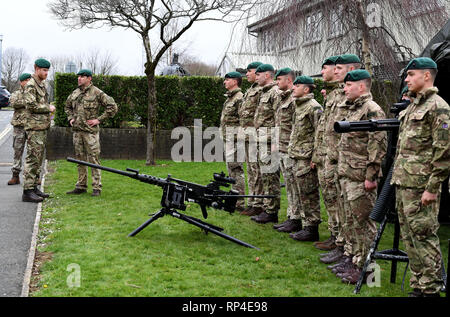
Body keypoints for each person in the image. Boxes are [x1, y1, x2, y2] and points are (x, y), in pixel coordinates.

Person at [391, 57, 450, 297]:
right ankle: (420, 284)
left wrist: (432, 188)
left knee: (424, 235)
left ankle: (432, 288)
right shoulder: (414, 106)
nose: (406, 79)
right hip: (404, 183)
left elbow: (443, 151)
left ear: (426, 76)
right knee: (409, 236)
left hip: (421, 186)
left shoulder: (439, 107)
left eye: (411, 75)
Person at [331, 70, 387, 284]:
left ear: (361, 86)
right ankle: (356, 261)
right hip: (348, 174)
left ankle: (370, 273)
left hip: (361, 177)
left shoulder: (372, 109)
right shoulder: (355, 108)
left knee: (365, 224)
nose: (344, 89)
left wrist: (371, 176)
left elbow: (377, 145)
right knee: (352, 222)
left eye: (348, 85)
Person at [320, 54, 362, 265]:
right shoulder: (335, 95)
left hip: (345, 160)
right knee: (334, 201)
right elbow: (326, 126)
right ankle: (339, 242)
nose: (334, 71)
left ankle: (346, 247)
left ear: (352, 68)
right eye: (334, 69)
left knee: (346, 207)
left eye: (339, 68)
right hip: (331, 156)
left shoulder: (354, 98)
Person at [65, 69, 118, 197]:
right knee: (80, 159)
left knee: (94, 160)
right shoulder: (75, 93)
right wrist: (70, 118)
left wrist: (98, 120)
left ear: (89, 78)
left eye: (82, 77)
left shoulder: (97, 92)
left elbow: (113, 107)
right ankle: (81, 185)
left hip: (90, 133)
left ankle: (96, 187)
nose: (79, 78)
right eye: (78, 76)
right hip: (77, 132)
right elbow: (67, 106)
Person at [288, 76, 323, 241]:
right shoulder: (299, 106)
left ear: (306, 89)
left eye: (297, 85)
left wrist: (315, 158)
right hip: (297, 155)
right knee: (300, 192)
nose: (293, 87)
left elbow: (319, 133)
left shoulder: (314, 108)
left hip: (307, 157)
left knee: (309, 193)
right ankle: (304, 224)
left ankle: (312, 228)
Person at [311, 56, 341, 251]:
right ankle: (335, 236)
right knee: (329, 199)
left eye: (326, 69)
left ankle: (341, 241)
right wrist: (317, 155)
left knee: (338, 202)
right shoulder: (332, 96)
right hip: (325, 156)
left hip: (339, 160)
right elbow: (322, 130)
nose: (324, 72)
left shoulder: (345, 98)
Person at [272, 68, 302, 233]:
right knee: (289, 185)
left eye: (280, 79)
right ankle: (291, 216)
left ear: (289, 80)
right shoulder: (283, 98)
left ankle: (296, 218)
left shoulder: (294, 99)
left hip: (290, 148)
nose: (277, 82)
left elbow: (295, 126)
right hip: (282, 147)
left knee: (293, 184)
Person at [22, 59, 55, 203]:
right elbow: (30, 105)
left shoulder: (41, 84)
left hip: (41, 127)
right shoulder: (31, 85)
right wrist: (48, 108)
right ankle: (27, 191)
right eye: (43, 70)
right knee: (32, 159)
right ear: (36, 69)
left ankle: (34, 187)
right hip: (34, 128)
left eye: (47, 70)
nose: (46, 73)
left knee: (39, 159)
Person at [251, 64, 281, 224]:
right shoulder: (264, 93)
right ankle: (266, 208)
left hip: (270, 142)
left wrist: (276, 141)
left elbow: (279, 117)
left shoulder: (275, 93)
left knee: (271, 176)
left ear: (268, 75)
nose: (256, 76)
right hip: (261, 140)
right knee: (265, 176)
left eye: (259, 74)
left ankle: (271, 211)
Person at [239, 62, 265, 216]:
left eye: (249, 71)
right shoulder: (251, 89)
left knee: (257, 172)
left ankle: (259, 203)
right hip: (248, 136)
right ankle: (253, 201)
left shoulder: (262, 90)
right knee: (251, 170)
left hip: (256, 136)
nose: (247, 74)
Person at [220, 71, 246, 212]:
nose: (225, 82)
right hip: (228, 140)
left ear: (235, 81)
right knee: (231, 171)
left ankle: (239, 203)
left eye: (227, 80)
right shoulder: (230, 98)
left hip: (235, 141)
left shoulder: (239, 98)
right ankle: (233, 200)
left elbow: (244, 120)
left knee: (236, 170)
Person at [7, 73, 32, 186]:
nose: (28, 82)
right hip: (19, 127)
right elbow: (14, 103)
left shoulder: (33, 93)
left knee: (33, 153)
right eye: (26, 80)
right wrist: (28, 102)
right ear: (21, 82)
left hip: (32, 126)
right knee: (18, 151)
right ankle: (15, 176)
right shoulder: (16, 94)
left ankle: (34, 177)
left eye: (29, 80)